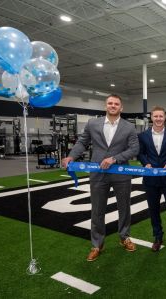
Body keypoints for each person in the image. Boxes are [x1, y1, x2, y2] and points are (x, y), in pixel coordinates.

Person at [61, 94, 139, 262]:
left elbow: (134, 149)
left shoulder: (129, 127)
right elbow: (82, 143)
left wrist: (114, 159)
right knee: (97, 210)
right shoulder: (92, 123)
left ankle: (124, 237)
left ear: (121, 108)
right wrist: (71, 157)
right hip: (98, 173)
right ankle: (97, 244)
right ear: (105, 106)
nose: (113, 106)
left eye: (116, 104)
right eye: (110, 103)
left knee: (124, 207)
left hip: (121, 172)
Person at [138, 106, 166, 252]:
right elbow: (141, 153)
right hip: (150, 180)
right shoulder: (143, 136)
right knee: (154, 210)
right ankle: (157, 237)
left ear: (165, 117)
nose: (158, 119)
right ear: (152, 117)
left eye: (160, 116)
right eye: (155, 116)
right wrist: (146, 163)